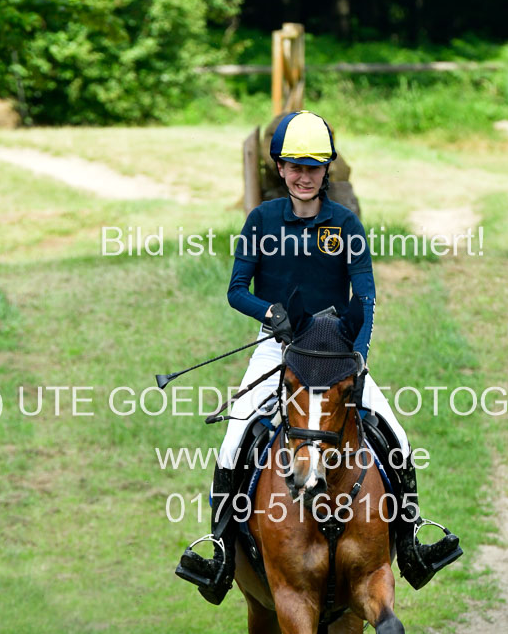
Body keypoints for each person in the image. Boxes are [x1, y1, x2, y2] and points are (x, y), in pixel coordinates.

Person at [177, 110, 461, 604]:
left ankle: (413, 539)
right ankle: (220, 551)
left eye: (313, 167)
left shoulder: (346, 224)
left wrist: (358, 356)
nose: (303, 176)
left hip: (336, 353)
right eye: (294, 167)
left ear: (326, 169)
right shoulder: (261, 220)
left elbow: (365, 296)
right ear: (280, 168)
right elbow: (236, 290)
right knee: (234, 437)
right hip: (278, 346)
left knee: (397, 436)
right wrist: (271, 312)